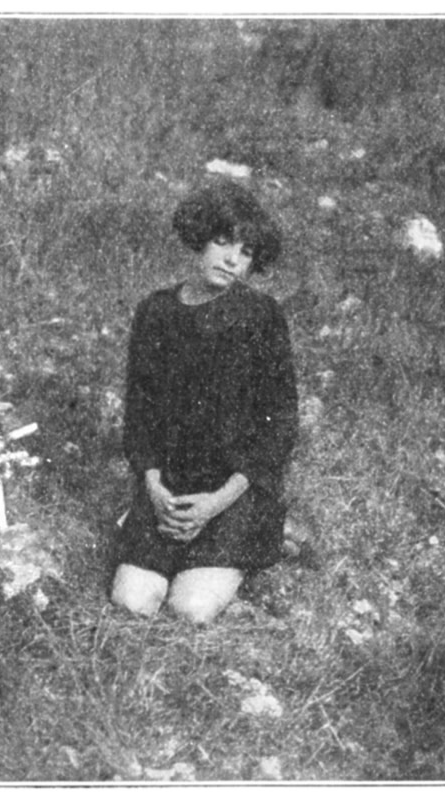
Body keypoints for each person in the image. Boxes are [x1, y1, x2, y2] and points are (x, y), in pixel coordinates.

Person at [111, 177, 298, 624]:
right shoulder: (156, 312)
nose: (233, 259)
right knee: (132, 602)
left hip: (233, 491)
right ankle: (146, 528)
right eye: (223, 242)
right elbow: (140, 414)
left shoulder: (261, 317)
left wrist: (216, 502)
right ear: (199, 238)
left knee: (190, 608)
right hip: (168, 490)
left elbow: (279, 426)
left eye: (246, 252)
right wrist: (153, 487)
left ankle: (252, 547)